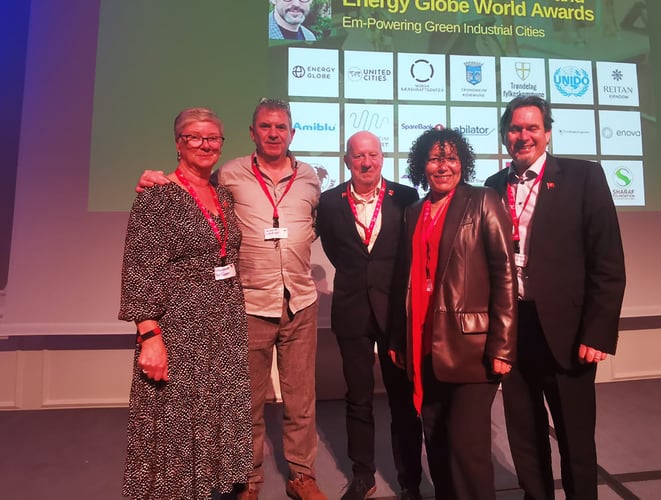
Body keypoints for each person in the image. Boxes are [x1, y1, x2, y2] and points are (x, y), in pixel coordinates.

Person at [136, 98, 325, 500]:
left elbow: (314, 224)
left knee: (301, 399)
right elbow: (191, 189)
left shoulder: (310, 176)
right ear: (252, 132)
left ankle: (302, 476)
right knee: (246, 401)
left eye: (281, 127)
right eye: (265, 126)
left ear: (292, 133)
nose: (273, 133)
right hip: (249, 302)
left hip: (300, 301)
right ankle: (248, 480)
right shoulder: (230, 174)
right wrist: (154, 179)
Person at [485, 95, 626, 500]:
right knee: (525, 438)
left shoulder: (584, 177)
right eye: (515, 128)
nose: (523, 136)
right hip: (514, 330)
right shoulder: (493, 187)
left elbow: (608, 261)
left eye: (532, 127)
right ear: (505, 135)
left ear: (547, 133)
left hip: (568, 333)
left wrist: (598, 332)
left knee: (575, 441)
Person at [119, 107, 253, 499]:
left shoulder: (223, 196)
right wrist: (149, 336)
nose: (205, 144)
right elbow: (139, 268)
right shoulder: (157, 197)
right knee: (175, 427)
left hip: (224, 329)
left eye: (213, 137)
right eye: (195, 136)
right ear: (178, 143)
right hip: (179, 331)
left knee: (217, 421)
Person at [392, 126, 517, 500]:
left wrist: (503, 346)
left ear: (463, 163)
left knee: (467, 449)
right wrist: (400, 338)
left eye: (450, 158)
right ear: (422, 166)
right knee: (438, 442)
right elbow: (406, 281)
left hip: (472, 349)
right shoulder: (414, 211)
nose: (443, 166)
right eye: (434, 159)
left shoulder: (483, 200)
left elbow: (504, 274)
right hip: (425, 344)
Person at [317, 131, 423, 500]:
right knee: (358, 397)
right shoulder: (330, 202)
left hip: (395, 314)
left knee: (403, 400)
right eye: (359, 156)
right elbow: (335, 251)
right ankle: (363, 474)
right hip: (352, 310)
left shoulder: (405, 197)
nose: (367, 162)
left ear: (382, 157)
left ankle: (410, 479)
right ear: (347, 160)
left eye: (373, 155)